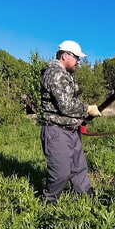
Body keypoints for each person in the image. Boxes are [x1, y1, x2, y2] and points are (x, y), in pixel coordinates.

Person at [39, 40, 102, 204]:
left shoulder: (65, 75)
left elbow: (69, 102)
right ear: (65, 55)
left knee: (78, 167)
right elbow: (66, 106)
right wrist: (86, 109)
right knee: (61, 171)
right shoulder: (55, 73)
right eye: (76, 57)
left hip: (70, 129)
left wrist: (81, 116)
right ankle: (49, 202)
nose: (79, 61)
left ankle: (85, 194)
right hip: (56, 131)